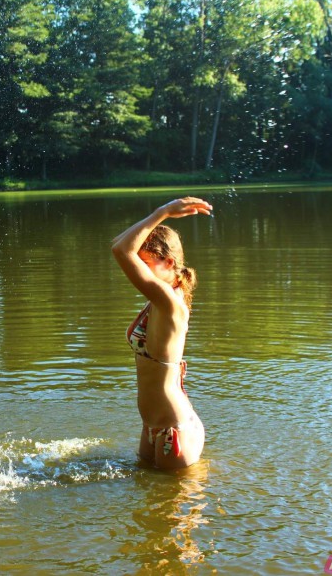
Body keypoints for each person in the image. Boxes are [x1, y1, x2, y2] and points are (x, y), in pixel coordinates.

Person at [111, 197, 213, 470]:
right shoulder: (160, 297)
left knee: (171, 508)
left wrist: (163, 212)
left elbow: (122, 250)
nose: (138, 269)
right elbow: (118, 243)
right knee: (146, 502)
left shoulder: (168, 300)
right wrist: (158, 219)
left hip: (173, 429)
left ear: (169, 262)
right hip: (154, 424)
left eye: (145, 263)